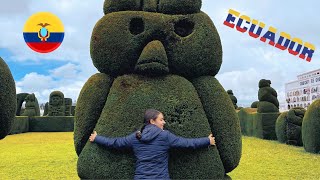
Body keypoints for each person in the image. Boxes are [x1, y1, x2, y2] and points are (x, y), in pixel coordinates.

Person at [89, 109, 216, 179]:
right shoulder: (165, 136)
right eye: (161, 119)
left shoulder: (136, 136)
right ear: (152, 121)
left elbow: (114, 143)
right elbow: (187, 144)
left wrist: (97, 138)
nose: (164, 122)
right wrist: (207, 140)